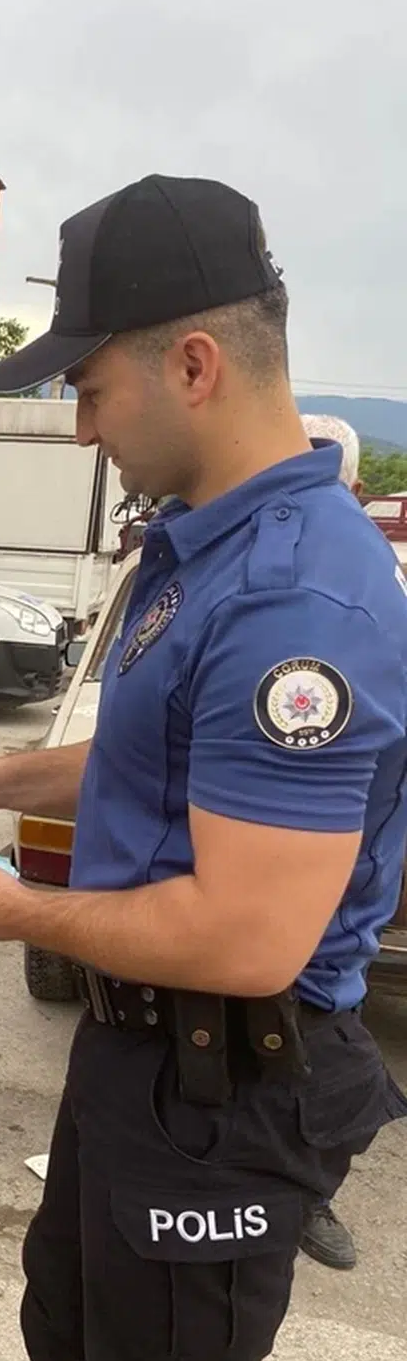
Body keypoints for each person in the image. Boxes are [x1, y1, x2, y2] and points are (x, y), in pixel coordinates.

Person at [0, 176, 407, 1361]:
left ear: (193, 363)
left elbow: (250, 935)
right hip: (143, 1051)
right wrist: (0, 774)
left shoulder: (301, 599)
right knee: (78, 1311)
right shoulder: (212, 544)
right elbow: (152, 753)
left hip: (229, 1071)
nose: (80, 422)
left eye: (91, 384)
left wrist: (5, 914)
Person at [295, 413, 365, 1270]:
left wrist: (18, 911)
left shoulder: (336, 586)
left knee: (316, 1066)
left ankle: (306, 1198)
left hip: (320, 931)